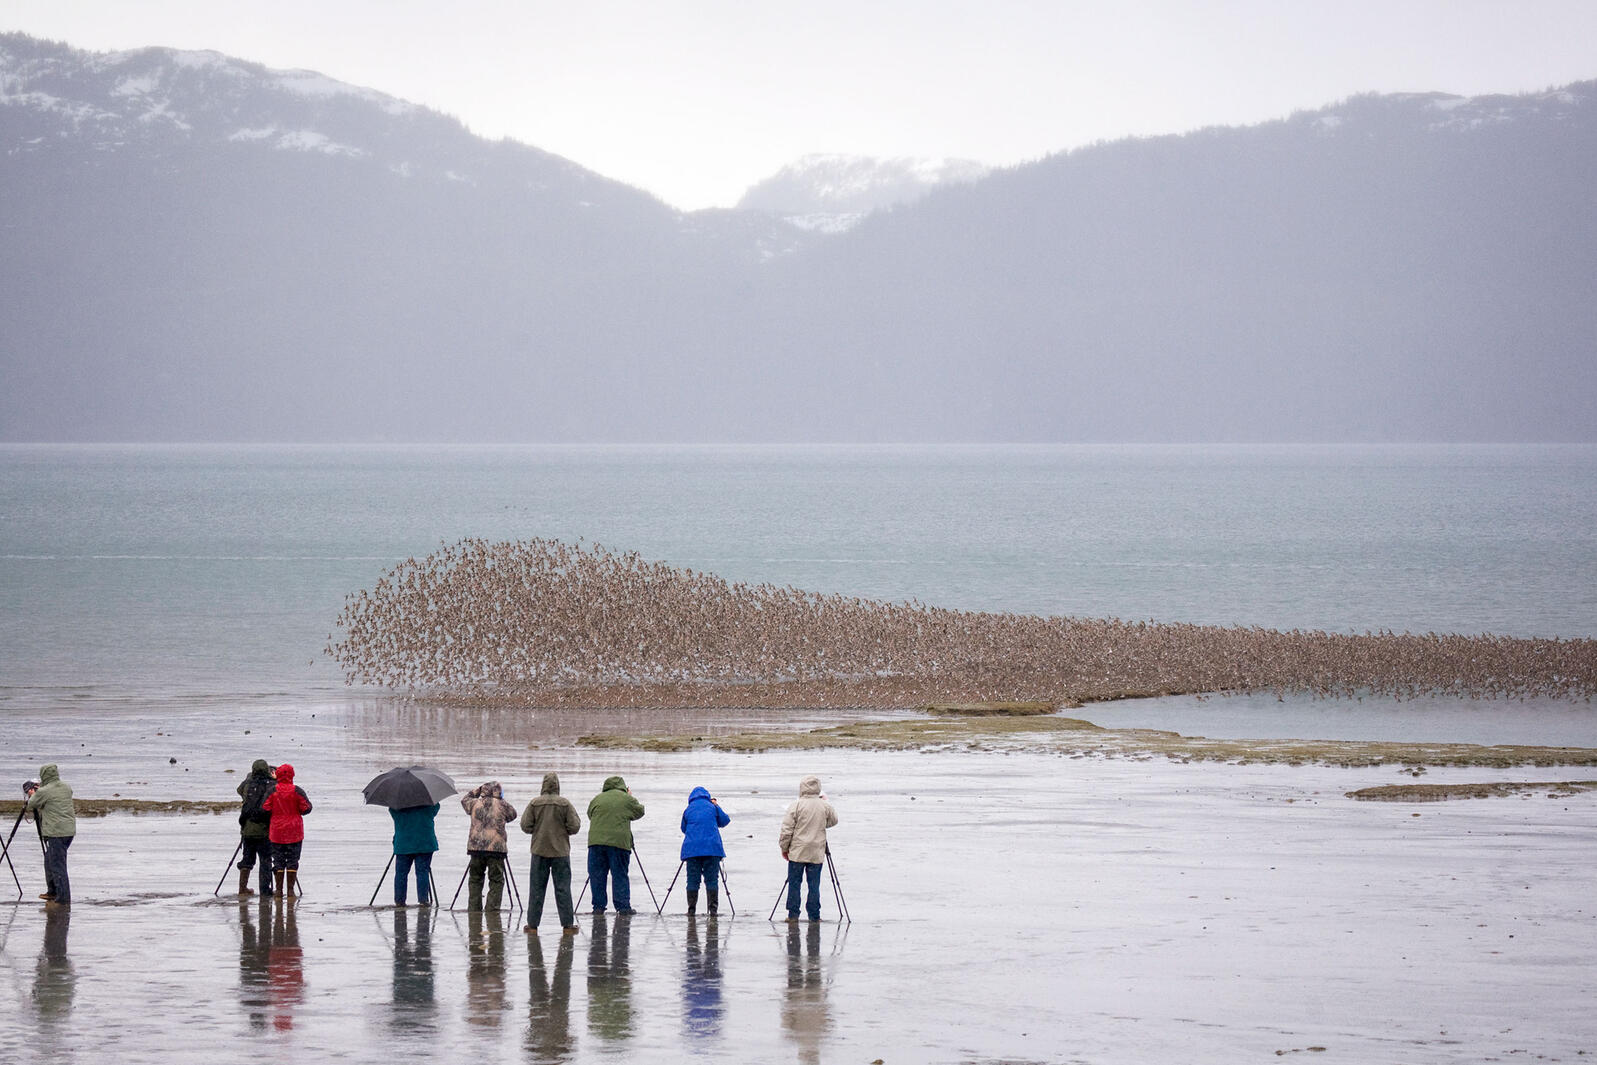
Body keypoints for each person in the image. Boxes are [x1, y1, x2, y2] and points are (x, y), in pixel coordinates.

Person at [520, 772, 581, 934]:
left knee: (536, 888)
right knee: (563, 888)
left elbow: (525, 826)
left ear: (543, 785)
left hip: (539, 850)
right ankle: (567, 925)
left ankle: (532, 925)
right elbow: (574, 827)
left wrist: (538, 829)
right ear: (557, 786)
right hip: (560, 851)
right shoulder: (565, 804)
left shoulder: (534, 803)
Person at [778, 775, 837, 922]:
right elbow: (834, 820)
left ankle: (793, 915)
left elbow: (786, 829)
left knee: (794, 883)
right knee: (814, 885)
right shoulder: (824, 805)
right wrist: (820, 825)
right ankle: (814, 915)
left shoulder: (796, 805)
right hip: (816, 852)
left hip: (797, 851)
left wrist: (784, 848)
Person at [585, 776, 645, 916]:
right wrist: (629, 796)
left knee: (597, 875)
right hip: (619, 843)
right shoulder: (626, 799)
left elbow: (590, 814)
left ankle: (598, 907)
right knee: (619, 874)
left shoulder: (597, 799)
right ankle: (623, 907)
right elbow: (640, 811)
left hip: (596, 842)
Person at [461, 780, 519, 911]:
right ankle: (492, 909)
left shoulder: (474, 804)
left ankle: (474, 909)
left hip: (476, 848)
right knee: (496, 880)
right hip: (496, 849)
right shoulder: (503, 805)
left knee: (475, 879)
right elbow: (513, 815)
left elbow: (464, 800)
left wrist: (478, 790)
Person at [24, 764, 75, 909]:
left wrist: (33, 794)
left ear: (44, 775)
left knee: (57, 865)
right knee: (50, 860)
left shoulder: (45, 791)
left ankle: (63, 899)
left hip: (56, 832)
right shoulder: (66, 787)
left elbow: (31, 804)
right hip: (68, 831)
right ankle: (53, 891)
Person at [260, 762, 312, 900]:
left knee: (278, 860)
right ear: (292, 775)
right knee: (293, 861)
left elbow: (264, 808)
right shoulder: (297, 791)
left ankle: (278, 891)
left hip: (277, 831)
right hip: (294, 831)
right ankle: (290, 891)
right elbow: (306, 808)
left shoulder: (272, 791)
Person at [678, 786, 730, 916]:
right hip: (711, 849)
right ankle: (713, 910)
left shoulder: (688, 810)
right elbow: (725, 821)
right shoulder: (712, 807)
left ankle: (691, 909)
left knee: (692, 880)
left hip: (692, 851)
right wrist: (716, 806)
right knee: (712, 880)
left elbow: (683, 828)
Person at [236, 759, 275, 897]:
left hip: (247, 829)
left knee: (247, 859)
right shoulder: (272, 785)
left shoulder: (247, 785)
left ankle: (242, 888)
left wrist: (249, 778)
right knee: (265, 860)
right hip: (265, 829)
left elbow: (239, 790)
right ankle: (265, 890)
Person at [390, 801, 441, 907]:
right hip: (424, 843)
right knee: (422, 872)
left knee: (401, 873)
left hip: (403, 843)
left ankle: (399, 900)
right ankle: (423, 900)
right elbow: (436, 808)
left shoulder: (397, 806)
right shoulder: (428, 805)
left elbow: (392, 811)